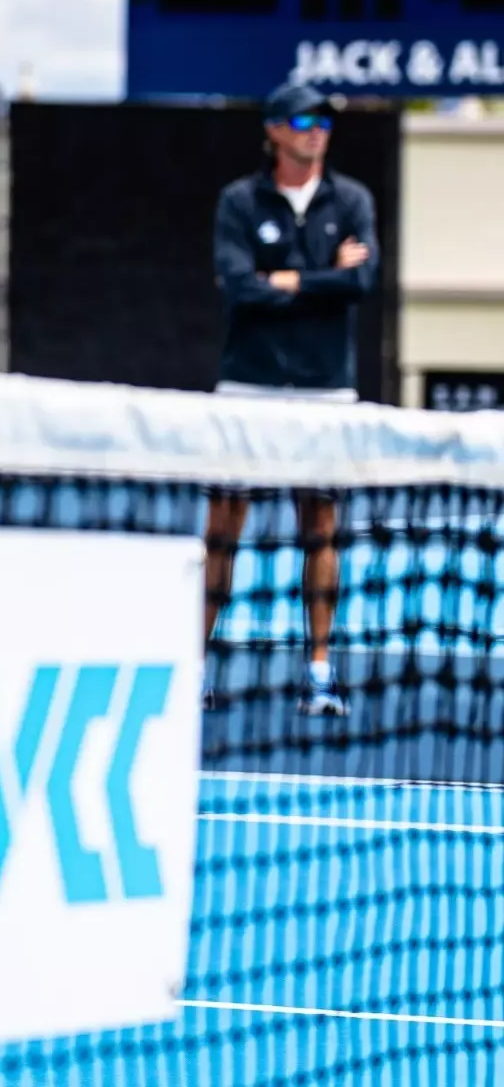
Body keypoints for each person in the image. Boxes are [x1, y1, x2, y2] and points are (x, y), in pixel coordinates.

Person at [205, 82, 379, 717]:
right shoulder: (238, 202)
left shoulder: (352, 200)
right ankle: (195, 667)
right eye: (303, 120)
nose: (316, 130)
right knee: (223, 529)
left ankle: (319, 674)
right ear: (274, 129)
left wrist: (286, 279)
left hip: (326, 391)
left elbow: (360, 280)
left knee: (320, 528)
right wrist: (319, 279)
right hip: (248, 386)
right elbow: (238, 289)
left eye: (324, 121)